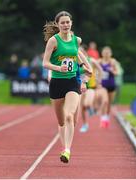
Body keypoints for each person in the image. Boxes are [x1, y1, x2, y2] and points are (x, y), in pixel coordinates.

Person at [43, 11, 92, 163]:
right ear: (57, 25)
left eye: (67, 22)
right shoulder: (53, 41)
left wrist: (84, 66)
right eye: (62, 22)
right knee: (61, 122)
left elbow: (76, 53)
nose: (65, 25)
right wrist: (58, 68)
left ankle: (67, 150)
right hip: (57, 83)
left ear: (71, 23)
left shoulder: (77, 40)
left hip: (72, 82)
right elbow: (45, 63)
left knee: (70, 115)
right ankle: (64, 146)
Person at [99, 46, 118, 127]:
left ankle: (106, 117)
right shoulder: (99, 61)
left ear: (110, 54)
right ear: (102, 53)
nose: (106, 54)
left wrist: (112, 71)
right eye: (105, 53)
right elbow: (95, 72)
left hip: (111, 84)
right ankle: (102, 118)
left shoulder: (112, 61)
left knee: (109, 103)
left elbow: (117, 73)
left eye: (108, 53)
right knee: (105, 101)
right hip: (103, 85)